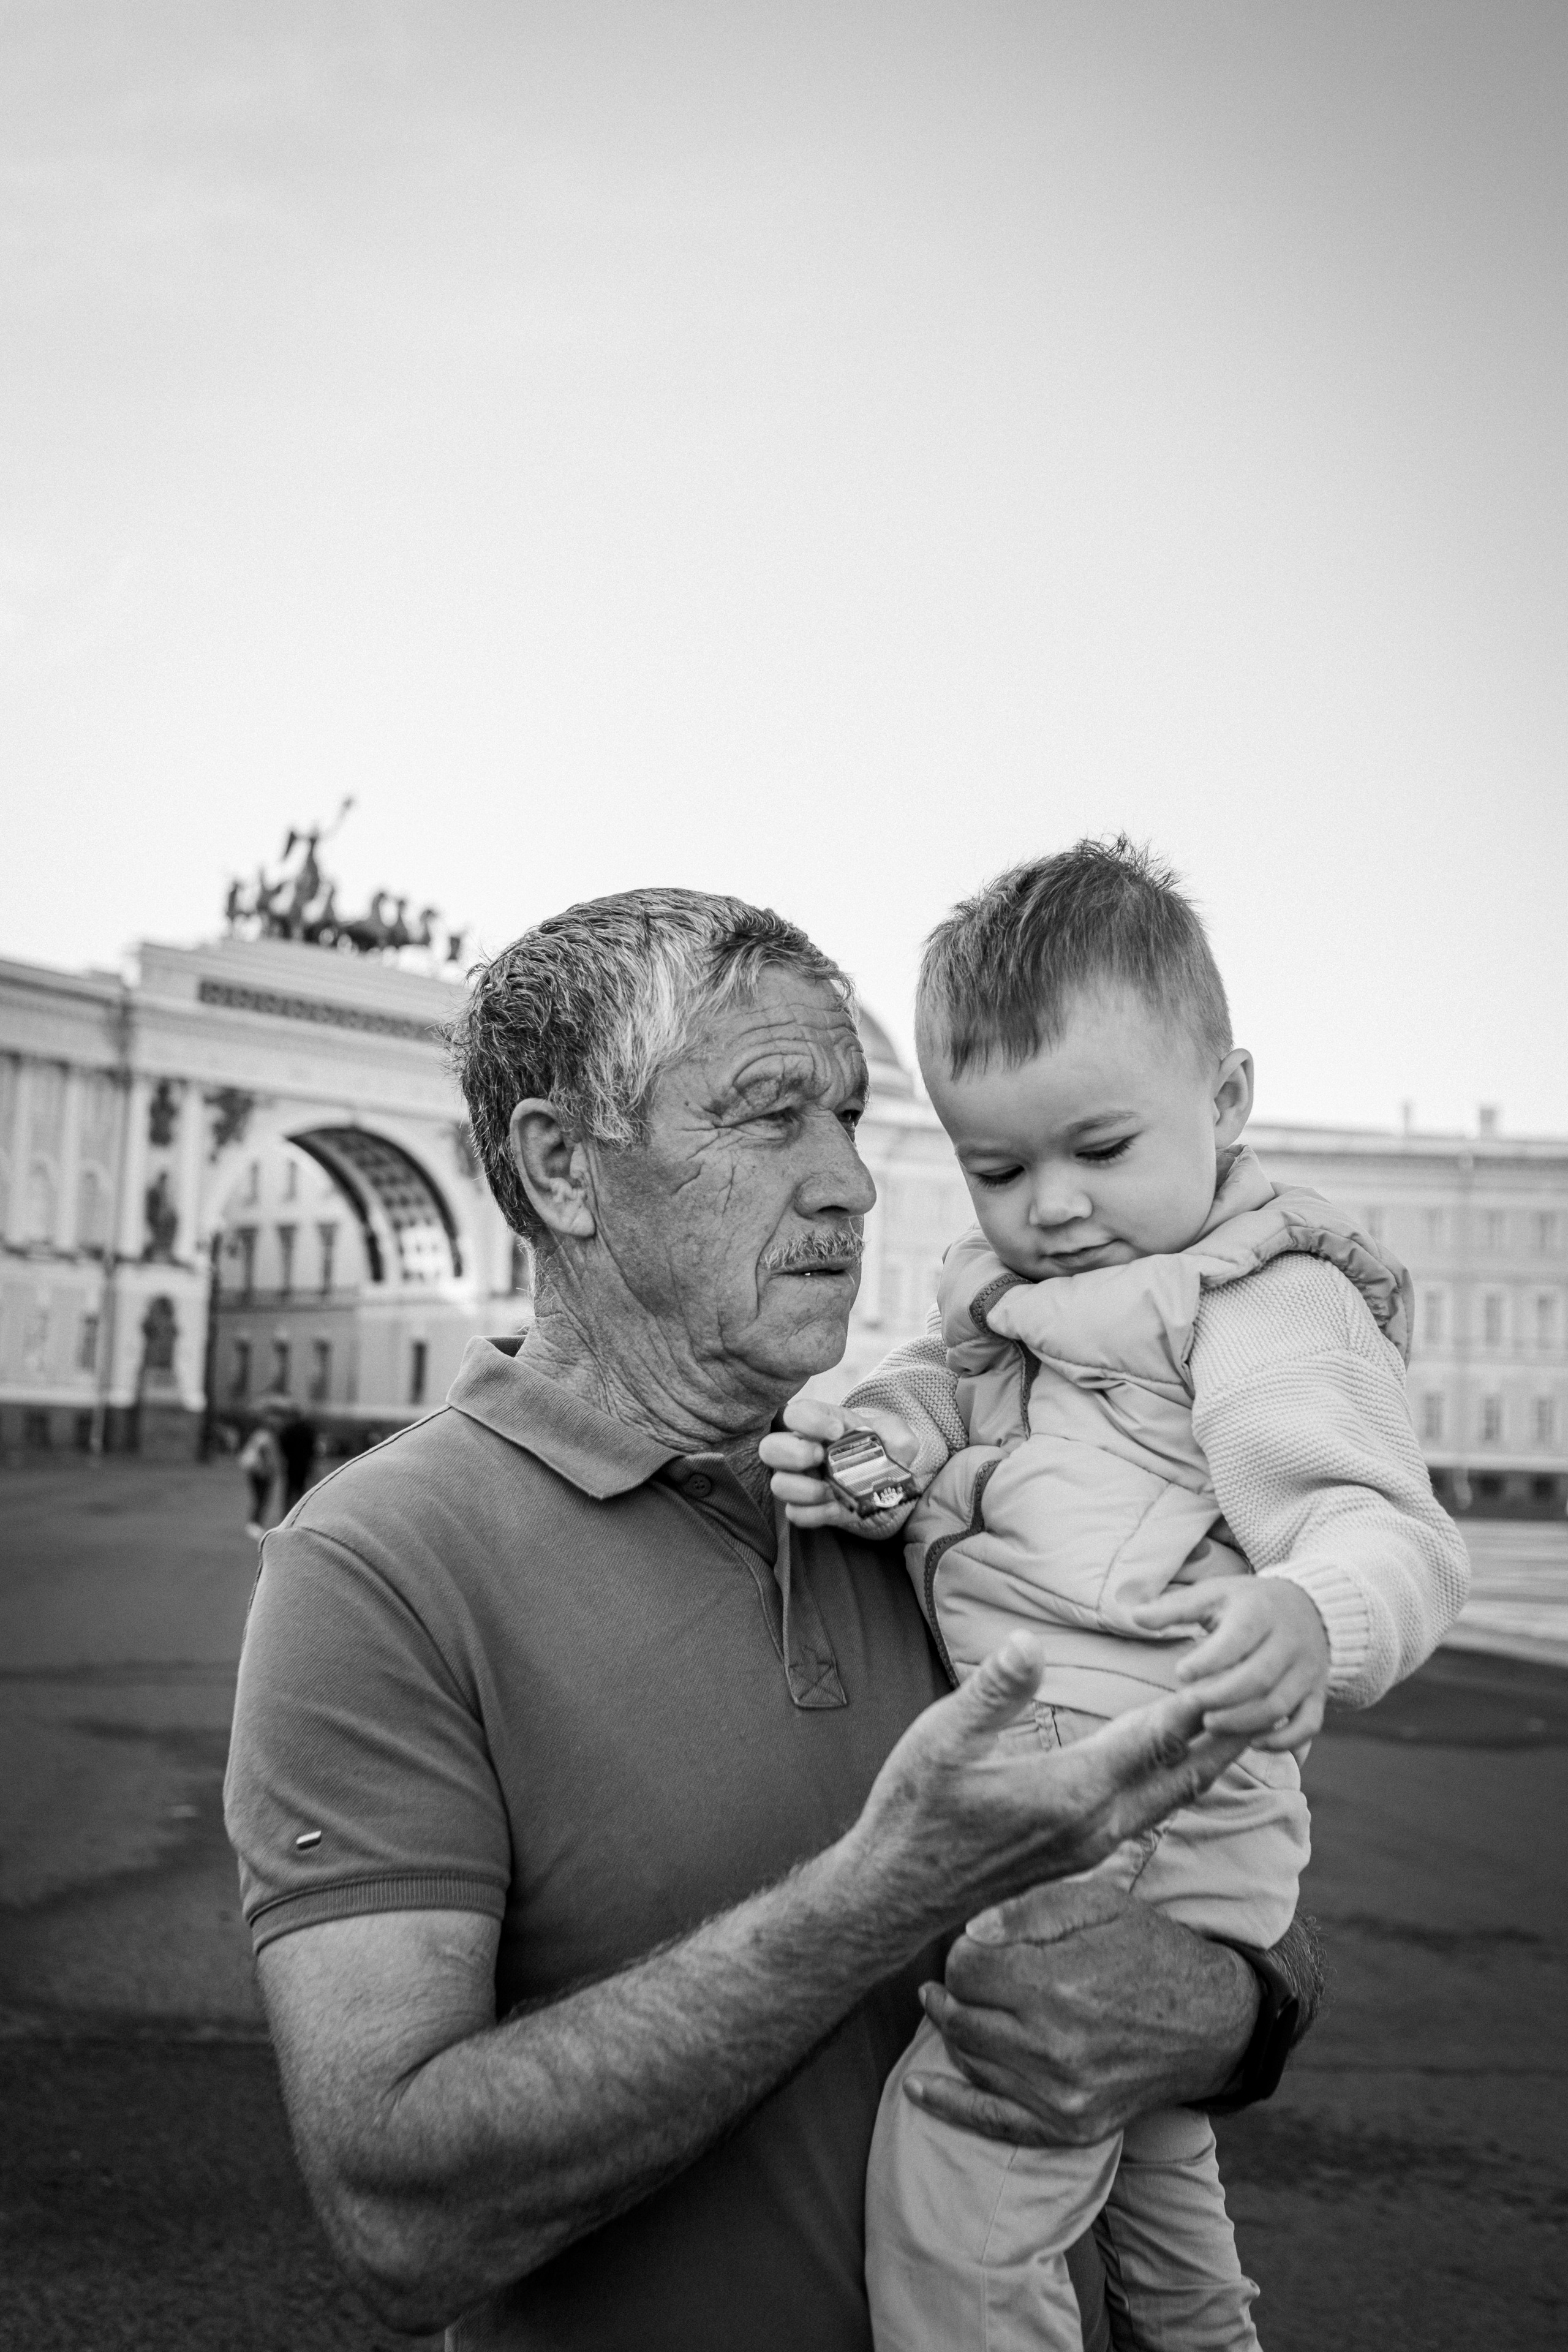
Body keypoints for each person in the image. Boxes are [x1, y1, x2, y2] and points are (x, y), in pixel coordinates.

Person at [223, 887, 1322, 2352]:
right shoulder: (369, 1566)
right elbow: (398, 2213)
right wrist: (873, 1896)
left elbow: (1232, 1879)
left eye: (850, 1116)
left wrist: (1225, 2009)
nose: (850, 1184)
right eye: (768, 1115)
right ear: (560, 1167)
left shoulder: (929, 1490)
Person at [764, 840, 1469, 2351]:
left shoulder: (1259, 1300)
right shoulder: (1028, 1296)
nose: (1053, 1207)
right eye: (997, 1168)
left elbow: (1380, 1526)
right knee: (1152, 2163)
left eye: (1096, 1146)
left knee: (963, 2167)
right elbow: (947, 1392)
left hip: (1139, 1792)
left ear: (1225, 1101)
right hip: (1083, 1779)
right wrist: (877, 1452)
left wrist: (1309, 1614)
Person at [237, 1415, 280, 1541]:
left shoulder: (257, 1435)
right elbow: (265, 1453)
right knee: (262, 1499)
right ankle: (255, 1524)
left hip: (254, 1471)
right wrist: (268, 1468)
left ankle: (254, 1524)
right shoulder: (266, 1437)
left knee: (259, 1499)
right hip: (263, 1472)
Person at [277, 1407, 319, 1515]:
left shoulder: (289, 1429)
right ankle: (299, 1513)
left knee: (289, 1490)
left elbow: (283, 1445)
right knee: (300, 1489)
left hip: (292, 1464)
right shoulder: (307, 1429)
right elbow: (313, 1447)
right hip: (304, 1464)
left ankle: (287, 1513)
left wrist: (286, 1457)